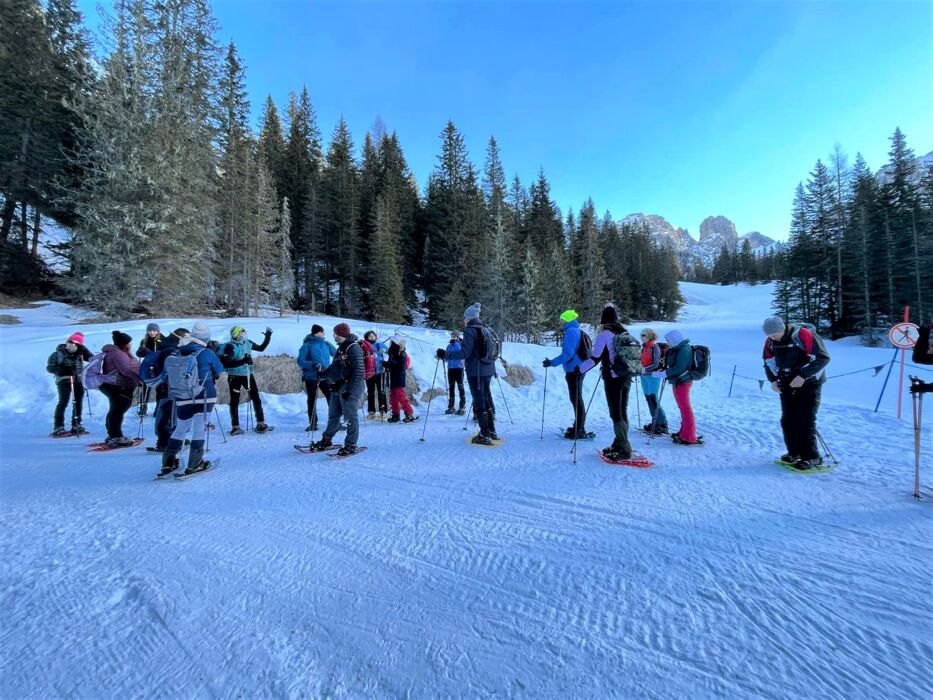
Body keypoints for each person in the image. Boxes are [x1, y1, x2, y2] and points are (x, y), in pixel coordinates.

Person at [762, 316, 830, 470]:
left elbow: (822, 358)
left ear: (783, 328)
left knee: (805, 419)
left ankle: (812, 457)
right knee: (788, 420)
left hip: (809, 383)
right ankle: (795, 452)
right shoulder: (770, 341)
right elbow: (768, 362)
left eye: (775, 335)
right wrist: (773, 380)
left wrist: (803, 376)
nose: (773, 338)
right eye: (770, 336)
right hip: (786, 383)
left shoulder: (803, 334)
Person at [158, 322, 225, 478]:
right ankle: (195, 464)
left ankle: (168, 463)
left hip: (182, 395)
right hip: (204, 395)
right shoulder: (207, 352)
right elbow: (220, 370)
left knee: (180, 428)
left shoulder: (179, 351)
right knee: (199, 428)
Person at [580, 303, 634, 460]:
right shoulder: (624, 332)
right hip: (626, 375)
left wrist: (580, 370)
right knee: (623, 410)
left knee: (615, 412)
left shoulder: (604, 334)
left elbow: (595, 358)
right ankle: (619, 442)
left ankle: (624, 448)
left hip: (612, 378)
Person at [446, 302, 498, 445]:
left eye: (464, 318)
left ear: (469, 317)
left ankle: (484, 434)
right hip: (487, 369)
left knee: (479, 401)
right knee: (486, 399)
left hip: (476, 372)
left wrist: (447, 355)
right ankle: (492, 430)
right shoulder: (485, 328)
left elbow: (465, 352)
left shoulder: (470, 330)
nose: (464, 320)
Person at [310, 323, 366, 456]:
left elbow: (359, 371)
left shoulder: (354, 348)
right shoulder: (341, 347)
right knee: (333, 415)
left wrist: (350, 390)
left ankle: (351, 445)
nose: (333, 335)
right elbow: (334, 368)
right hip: (340, 385)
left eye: (335, 333)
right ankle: (326, 440)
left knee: (350, 417)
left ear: (341, 334)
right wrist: (321, 375)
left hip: (353, 385)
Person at [138, 327, 189, 452]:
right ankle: (164, 440)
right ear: (181, 336)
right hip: (168, 384)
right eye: (187, 337)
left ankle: (167, 438)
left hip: (163, 383)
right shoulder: (171, 347)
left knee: (166, 410)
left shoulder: (167, 344)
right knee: (167, 411)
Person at [542, 309, 589, 439]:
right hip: (579, 368)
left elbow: (567, 354)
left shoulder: (570, 332)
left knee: (576, 399)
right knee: (577, 398)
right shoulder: (577, 330)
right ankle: (579, 426)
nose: (560, 321)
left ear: (567, 319)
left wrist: (551, 362)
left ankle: (579, 429)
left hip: (574, 369)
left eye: (562, 319)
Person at [220, 324, 273, 434]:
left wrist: (267, 338)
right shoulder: (230, 346)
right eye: (243, 332)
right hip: (234, 376)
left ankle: (261, 424)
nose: (245, 334)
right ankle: (235, 427)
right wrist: (243, 361)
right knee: (235, 400)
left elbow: (261, 348)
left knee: (256, 398)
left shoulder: (248, 342)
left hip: (248, 374)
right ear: (237, 335)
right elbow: (227, 363)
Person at [99, 331, 141, 447]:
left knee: (116, 409)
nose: (130, 345)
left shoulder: (117, 352)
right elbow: (126, 370)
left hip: (116, 385)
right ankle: (116, 436)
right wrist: (140, 378)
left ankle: (112, 435)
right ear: (124, 343)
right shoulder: (118, 354)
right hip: (118, 385)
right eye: (129, 343)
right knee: (118, 410)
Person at [46, 331, 93, 436]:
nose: (73, 344)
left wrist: (84, 350)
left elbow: (92, 359)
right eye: (71, 342)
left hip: (78, 380)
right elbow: (49, 367)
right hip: (64, 380)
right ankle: (58, 426)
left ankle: (76, 424)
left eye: (76, 343)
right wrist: (61, 370)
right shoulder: (58, 353)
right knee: (63, 402)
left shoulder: (81, 352)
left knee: (78, 402)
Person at [664, 329, 701, 445]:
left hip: (683, 382)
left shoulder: (684, 349)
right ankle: (684, 432)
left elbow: (680, 368)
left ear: (675, 339)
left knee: (685, 409)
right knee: (683, 408)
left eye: (669, 341)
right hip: (679, 381)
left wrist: (665, 373)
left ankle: (689, 436)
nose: (667, 343)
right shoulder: (678, 348)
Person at [296, 324, 336, 431]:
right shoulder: (307, 345)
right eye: (322, 332)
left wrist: (333, 367)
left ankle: (335, 421)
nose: (323, 333)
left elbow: (337, 354)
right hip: (311, 376)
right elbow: (300, 361)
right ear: (317, 333)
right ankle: (313, 423)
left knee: (331, 398)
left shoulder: (326, 344)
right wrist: (313, 364)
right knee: (312, 400)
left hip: (325, 375)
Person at [639, 328, 668, 434]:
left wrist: (644, 369)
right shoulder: (644, 347)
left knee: (654, 400)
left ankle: (662, 424)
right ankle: (655, 422)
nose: (641, 337)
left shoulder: (654, 347)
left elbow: (656, 364)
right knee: (648, 399)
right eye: (641, 335)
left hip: (652, 377)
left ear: (650, 336)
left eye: (643, 335)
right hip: (644, 376)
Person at [385, 335, 417, 423]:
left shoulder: (401, 353)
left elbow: (401, 366)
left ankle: (409, 414)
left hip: (399, 377)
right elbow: (392, 363)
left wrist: (389, 364)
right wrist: (387, 364)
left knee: (401, 396)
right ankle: (396, 415)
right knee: (393, 397)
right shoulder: (392, 352)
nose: (390, 343)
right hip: (393, 376)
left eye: (392, 341)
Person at [134, 323, 164, 416]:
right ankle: (143, 407)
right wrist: (139, 353)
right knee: (145, 387)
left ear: (158, 331)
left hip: (159, 366)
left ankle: (158, 409)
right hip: (147, 366)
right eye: (150, 330)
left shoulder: (163, 340)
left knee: (160, 388)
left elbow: (163, 353)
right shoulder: (144, 341)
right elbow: (141, 354)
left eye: (154, 330)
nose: (152, 333)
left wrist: (149, 352)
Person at [362, 330, 388, 420]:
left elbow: (389, 352)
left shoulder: (380, 344)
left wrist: (383, 351)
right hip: (369, 373)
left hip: (380, 371)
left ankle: (383, 411)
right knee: (371, 392)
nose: (372, 337)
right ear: (366, 337)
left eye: (373, 336)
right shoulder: (364, 345)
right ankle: (371, 412)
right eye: (370, 336)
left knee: (382, 391)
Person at [441, 331, 467, 415]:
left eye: (455, 336)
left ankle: (462, 406)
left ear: (458, 337)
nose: (453, 337)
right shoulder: (449, 346)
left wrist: (455, 343)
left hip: (459, 368)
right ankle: (451, 406)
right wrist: (442, 356)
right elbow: (447, 356)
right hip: (450, 368)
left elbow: (459, 353)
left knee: (460, 387)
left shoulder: (460, 344)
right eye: (452, 336)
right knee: (451, 387)